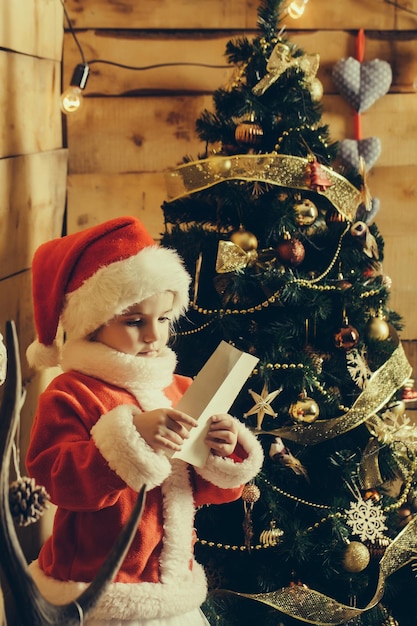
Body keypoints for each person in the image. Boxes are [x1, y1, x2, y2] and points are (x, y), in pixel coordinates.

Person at [25, 216, 264, 626]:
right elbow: (52, 478)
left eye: (164, 319)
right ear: (93, 324)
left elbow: (195, 489)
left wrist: (221, 452)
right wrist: (129, 440)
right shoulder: (71, 392)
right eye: (134, 321)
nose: (154, 335)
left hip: (172, 585)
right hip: (98, 589)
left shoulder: (178, 386)